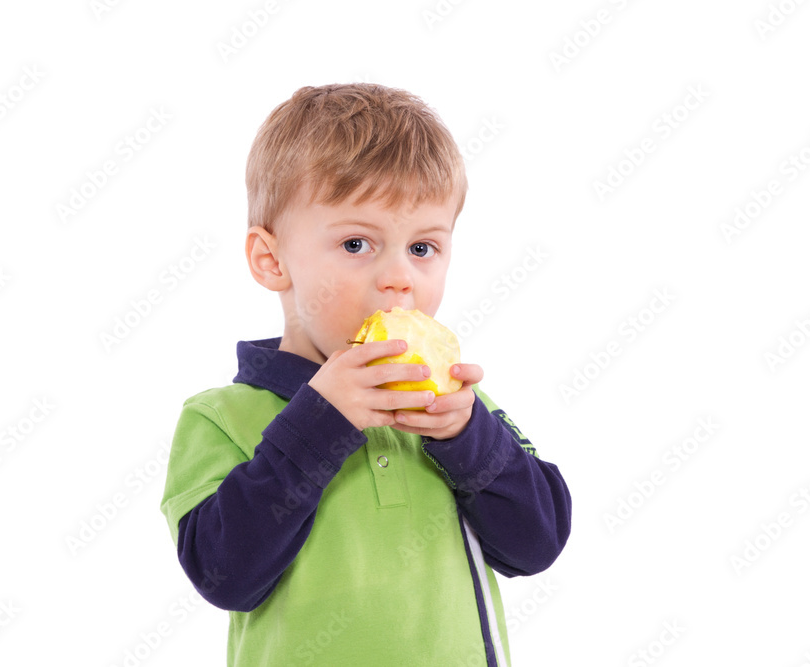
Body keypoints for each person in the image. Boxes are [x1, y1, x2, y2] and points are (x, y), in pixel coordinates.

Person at [159, 82, 572, 666]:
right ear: (272, 260)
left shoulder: (455, 407)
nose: (399, 277)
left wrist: (468, 436)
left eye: (423, 248)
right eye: (357, 243)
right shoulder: (220, 418)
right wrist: (320, 423)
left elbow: (537, 544)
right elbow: (224, 574)